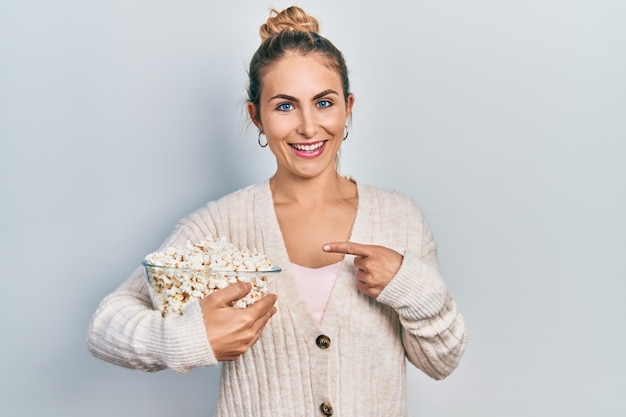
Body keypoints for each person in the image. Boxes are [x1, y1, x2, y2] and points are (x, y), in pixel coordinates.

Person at [87, 5, 467, 417]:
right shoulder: (219, 225)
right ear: (257, 117)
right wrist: (188, 338)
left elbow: (441, 362)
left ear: (348, 107)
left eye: (324, 103)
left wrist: (411, 286)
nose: (307, 126)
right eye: (285, 106)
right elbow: (106, 326)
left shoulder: (400, 219)